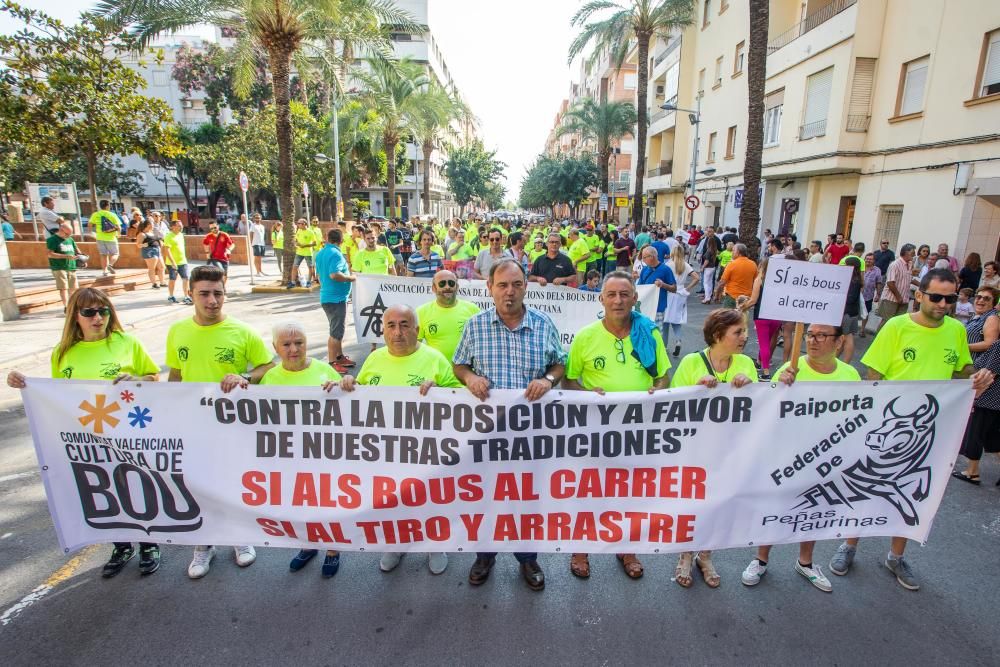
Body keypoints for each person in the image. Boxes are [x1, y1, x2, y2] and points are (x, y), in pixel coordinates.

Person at [829, 268, 994, 590]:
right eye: (936, 297)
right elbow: (874, 375)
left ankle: (896, 555)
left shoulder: (957, 331)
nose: (943, 304)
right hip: (888, 428)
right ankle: (848, 545)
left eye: (950, 298)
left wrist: (977, 380)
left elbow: (962, 372)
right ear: (920, 295)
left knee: (915, 493)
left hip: (932, 432)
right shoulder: (896, 326)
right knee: (866, 486)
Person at [8, 288, 161, 576]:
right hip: (87, 437)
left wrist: (138, 379)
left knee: (135, 487)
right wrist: (25, 383)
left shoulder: (126, 342)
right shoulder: (63, 352)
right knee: (105, 490)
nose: (98, 318)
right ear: (75, 316)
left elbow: (154, 377)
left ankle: (148, 544)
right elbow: (55, 395)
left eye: (103, 311)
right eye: (89, 312)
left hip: (127, 432)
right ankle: (121, 545)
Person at [453, 259, 567, 591]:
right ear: (489, 288)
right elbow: (460, 363)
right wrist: (471, 377)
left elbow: (559, 363)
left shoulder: (544, 323)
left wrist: (547, 379)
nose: (509, 292)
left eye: (516, 285)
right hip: (485, 434)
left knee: (524, 498)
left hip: (529, 434)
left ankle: (527, 557)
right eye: (502, 285)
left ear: (525, 287)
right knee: (485, 496)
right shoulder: (474, 326)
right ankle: (485, 555)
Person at [166, 265, 275, 578]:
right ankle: (204, 544)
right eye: (204, 294)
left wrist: (242, 376)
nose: (212, 300)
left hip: (232, 424)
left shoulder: (242, 332)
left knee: (231, 482)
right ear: (191, 294)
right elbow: (175, 374)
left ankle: (240, 537)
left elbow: (267, 367)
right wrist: (166, 410)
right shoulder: (178, 332)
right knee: (199, 484)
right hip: (193, 424)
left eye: (218, 293)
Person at [563, 271, 671, 580]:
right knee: (588, 490)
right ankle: (581, 550)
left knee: (631, 491)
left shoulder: (649, 333)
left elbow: (662, 374)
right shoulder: (585, 337)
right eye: (611, 294)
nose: (618, 300)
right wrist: (587, 395)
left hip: (638, 428)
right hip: (595, 429)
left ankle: (627, 549)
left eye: (625, 294)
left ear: (635, 299)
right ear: (601, 299)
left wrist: (658, 389)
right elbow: (569, 380)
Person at [741, 322, 861, 593]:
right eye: (810, 334)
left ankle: (805, 562)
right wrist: (780, 386)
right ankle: (760, 559)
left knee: (816, 510)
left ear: (839, 342)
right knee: (775, 507)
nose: (813, 340)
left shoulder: (850, 374)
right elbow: (766, 409)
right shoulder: (791, 369)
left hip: (827, 457)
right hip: (788, 456)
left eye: (822, 335)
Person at [349, 304, 461, 575]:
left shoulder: (434, 359)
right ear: (383, 330)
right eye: (391, 326)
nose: (397, 332)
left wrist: (441, 392)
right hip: (385, 450)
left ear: (417, 329)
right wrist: (346, 385)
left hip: (426, 450)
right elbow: (360, 392)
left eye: (404, 325)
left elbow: (461, 399)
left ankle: (435, 544)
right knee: (392, 500)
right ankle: (396, 544)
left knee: (429, 499)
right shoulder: (374, 359)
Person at [670, 309, 757, 588]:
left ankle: (705, 555)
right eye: (739, 332)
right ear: (718, 335)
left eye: (744, 331)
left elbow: (757, 406)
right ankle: (685, 554)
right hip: (695, 450)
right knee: (692, 504)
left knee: (720, 505)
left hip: (729, 452)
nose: (745, 336)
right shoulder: (690, 363)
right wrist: (695, 389)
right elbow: (670, 407)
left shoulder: (745, 363)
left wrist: (750, 386)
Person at [260, 321, 351, 577]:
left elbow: (349, 408)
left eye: (299, 342)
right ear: (275, 347)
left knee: (328, 502)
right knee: (301, 502)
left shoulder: (324, 370)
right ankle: (309, 545)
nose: (294, 349)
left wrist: (344, 385)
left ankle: (333, 549)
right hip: (290, 454)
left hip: (324, 452)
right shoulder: (270, 378)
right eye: (286, 344)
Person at [315, 228, 357, 374]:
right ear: (341, 240)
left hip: (328, 296)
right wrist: (351, 278)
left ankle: (339, 357)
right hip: (335, 299)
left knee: (338, 329)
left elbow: (319, 275)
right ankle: (332, 362)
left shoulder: (320, 253)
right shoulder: (336, 254)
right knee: (336, 332)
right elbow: (334, 274)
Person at [416, 269, 480, 362]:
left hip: (466, 373)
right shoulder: (421, 312)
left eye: (451, 283)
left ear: (457, 287)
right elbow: (415, 346)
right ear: (434, 288)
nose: (447, 287)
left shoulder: (473, 310)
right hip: (436, 373)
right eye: (442, 284)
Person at [741, 256, 781, 380]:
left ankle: (766, 372)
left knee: (763, 344)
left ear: (762, 266)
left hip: (762, 315)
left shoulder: (760, 279)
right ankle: (759, 362)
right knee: (767, 342)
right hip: (776, 315)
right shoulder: (779, 280)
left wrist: (742, 307)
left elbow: (753, 300)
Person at [636, 246, 677, 346]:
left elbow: (674, 288)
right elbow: (640, 287)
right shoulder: (645, 270)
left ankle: (658, 353)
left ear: (653, 256)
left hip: (658, 307)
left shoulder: (665, 269)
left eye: (645, 257)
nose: (643, 260)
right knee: (643, 331)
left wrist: (663, 285)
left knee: (657, 333)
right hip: (644, 307)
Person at [664, 244, 700, 357]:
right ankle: (678, 340)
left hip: (669, 292)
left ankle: (664, 346)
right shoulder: (686, 265)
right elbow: (697, 278)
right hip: (681, 293)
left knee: (666, 320)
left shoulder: (668, 264)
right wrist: (687, 288)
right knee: (677, 320)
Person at [877, 243, 915, 330]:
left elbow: (909, 278)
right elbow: (890, 282)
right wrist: (898, 297)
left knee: (897, 323)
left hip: (904, 299)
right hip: (891, 299)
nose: (914, 255)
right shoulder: (895, 265)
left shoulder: (909, 264)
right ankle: (878, 340)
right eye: (913, 253)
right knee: (886, 322)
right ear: (906, 252)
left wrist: (922, 285)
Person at [46, 221, 80, 310]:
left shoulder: (70, 239)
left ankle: (73, 306)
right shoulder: (52, 240)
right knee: (63, 288)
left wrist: (81, 258)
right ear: (61, 230)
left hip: (71, 266)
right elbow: (50, 254)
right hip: (59, 267)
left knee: (73, 288)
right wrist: (66, 256)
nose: (68, 236)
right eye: (67, 234)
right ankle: (66, 306)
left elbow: (76, 250)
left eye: (70, 234)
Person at [715, 243, 757, 309]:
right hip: (745, 298)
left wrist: (717, 294)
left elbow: (722, 282)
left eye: (733, 250)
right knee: (741, 318)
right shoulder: (753, 264)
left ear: (738, 252)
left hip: (732, 297)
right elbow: (755, 281)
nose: (732, 253)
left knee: (728, 317)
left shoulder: (732, 264)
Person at [839, 256, 864, 363]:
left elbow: (850, 298)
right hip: (852, 312)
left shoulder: (853, 281)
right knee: (846, 336)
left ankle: (846, 362)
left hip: (848, 312)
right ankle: (837, 358)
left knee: (847, 337)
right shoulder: (857, 279)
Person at [163, 219, 192, 305]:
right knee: (173, 279)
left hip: (183, 261)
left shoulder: (181, 235)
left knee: (186, 278)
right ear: (173, 227)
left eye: (181, 225)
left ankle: (186, 296)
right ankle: (171, 296)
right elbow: (167, 250)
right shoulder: (168, 236)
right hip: (172, 263)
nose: (181, 227)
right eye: (179, 225)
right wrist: (173, 262)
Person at [91, 199, 121, 276]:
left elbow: (90, 224)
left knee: (103, 255)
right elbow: (118, 226)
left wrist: (91, 232)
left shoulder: (95, 214)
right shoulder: (112, 215)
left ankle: (104, 271)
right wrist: (119, 234)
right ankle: (110, 265)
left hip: (100, 238)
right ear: (108, 206)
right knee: (115, 253)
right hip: (111, 238)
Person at [135, 220, 165, 290]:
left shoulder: (152, 232)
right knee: (152, 268)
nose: (153, 225)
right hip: (149, 251)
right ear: (148, 225)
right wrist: (144, 244)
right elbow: (138, 245)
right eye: (151, 224)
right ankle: (154, 283)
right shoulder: (142, 234)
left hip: (157, 250)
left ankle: (162, 282)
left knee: (162, 267)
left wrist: (160, 243)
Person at [287, 218, 317, 288]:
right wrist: (296, 243)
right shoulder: (299, 230)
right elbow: (296, 240)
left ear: (304, 224)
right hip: (299, 252)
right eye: (298, 223)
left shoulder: (310, 232)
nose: (298, 225)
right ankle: (293, 282)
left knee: (310, 267)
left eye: (299, 223)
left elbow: (315, 243)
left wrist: (305, 245)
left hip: (308, 253)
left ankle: (309, 282)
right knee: (295, 266)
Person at [203, 222, 234, 287]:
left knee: (225, 275)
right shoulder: (208, 236)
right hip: (215, 258)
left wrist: (229, 250)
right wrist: (207, 253)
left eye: (215, 227)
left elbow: (232, 244)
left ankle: (222, 287)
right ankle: (218, 286)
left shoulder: (224, 235)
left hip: (225, 257)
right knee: (221, 271)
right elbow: (205, 244)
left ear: (218, 226)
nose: (213, 229)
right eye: (211, 228)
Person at [860, 253, 883, 337]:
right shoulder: (860, 267)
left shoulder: (877, 270)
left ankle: (862, 330)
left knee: (865, 313)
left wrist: (878, 294)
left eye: (870, 259)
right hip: (857, 295)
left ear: (874, 261)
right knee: (854, 313)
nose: (868, 260)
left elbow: (879, 283)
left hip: (868, 296)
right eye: (867, 258)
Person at [699, 227, 721, 304]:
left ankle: (707, 297)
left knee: (706, 282)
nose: (708, 233)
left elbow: (707, 260)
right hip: (712, 266)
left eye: (710, 231)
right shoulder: (713, 249)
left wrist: (702, 267)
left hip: (709, 266)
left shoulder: (711, 247)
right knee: (710, 282)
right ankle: (708, 295)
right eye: (707, 231)